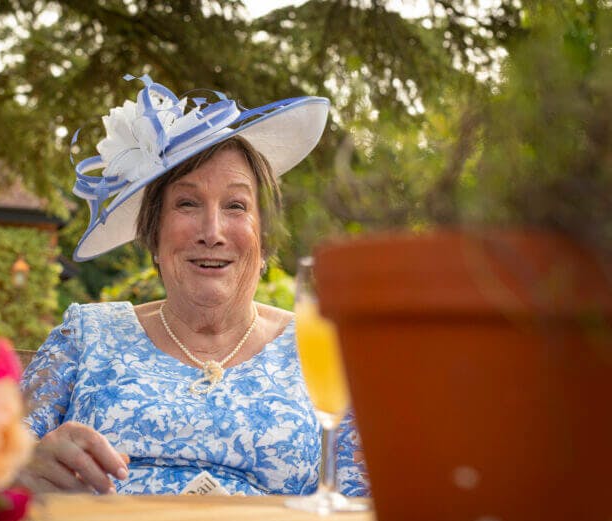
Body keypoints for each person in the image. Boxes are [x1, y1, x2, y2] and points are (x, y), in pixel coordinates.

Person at [19, 74, 369, 496]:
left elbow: (358, 509)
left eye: (236, 205)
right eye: (187, 203)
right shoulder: (84, 336)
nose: (212, 231)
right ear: (154, 231)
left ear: (265, 236)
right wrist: (25, 466)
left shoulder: (320, 353)